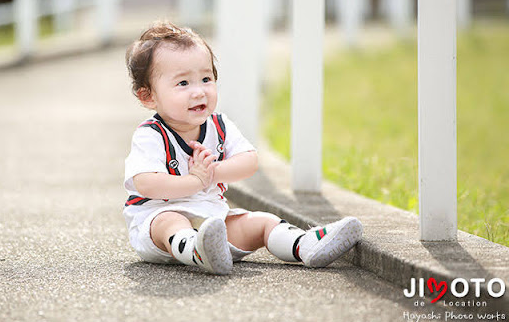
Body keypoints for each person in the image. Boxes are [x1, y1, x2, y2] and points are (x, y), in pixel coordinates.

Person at [123, 21, 363, 275]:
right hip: (157, 220)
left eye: (206, 79)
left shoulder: (220, 125)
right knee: (170, 222)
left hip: (213, 219)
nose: (199, 92)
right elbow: (146, 183)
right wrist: (194, 181)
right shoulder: (151, 135)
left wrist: (212, 173)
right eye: (183, 83)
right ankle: (195, 249)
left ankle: (305, 244)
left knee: (261, 222)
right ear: (148, 96)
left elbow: (249, 161)